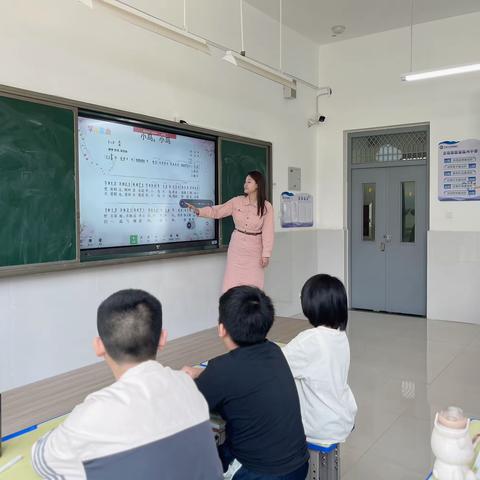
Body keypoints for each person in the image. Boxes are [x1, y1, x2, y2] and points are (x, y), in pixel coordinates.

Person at [32, 289, 223, 480]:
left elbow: (41, 461)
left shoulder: (93, 414)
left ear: (98, 346)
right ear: (163, 339)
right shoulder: (187, 384)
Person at [183, 286, 309, 480]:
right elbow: (243, 376)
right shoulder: (274, 351)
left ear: (221, 328)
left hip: (258, 473)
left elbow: (188, 402)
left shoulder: (223, 370)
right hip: (298, 466)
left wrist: (185, 378)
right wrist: (202, 372)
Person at [282, 274, 357, 446]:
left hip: (320, 426)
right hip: (342, 416)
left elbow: (276, 365)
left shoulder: (311, 339)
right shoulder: (339, 336)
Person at [186, 170, 274, 292]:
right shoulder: (236, 201)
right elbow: (217, 211)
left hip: (254, 251)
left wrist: (266, 254)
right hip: (236, 248)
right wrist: (199, 211)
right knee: (231, 285)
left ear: (258, 185)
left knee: (254, 286)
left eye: (249, 182)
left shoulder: (266, 207)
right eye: (245, 181)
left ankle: (252, 310)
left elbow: (268, 232)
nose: (245, 184)